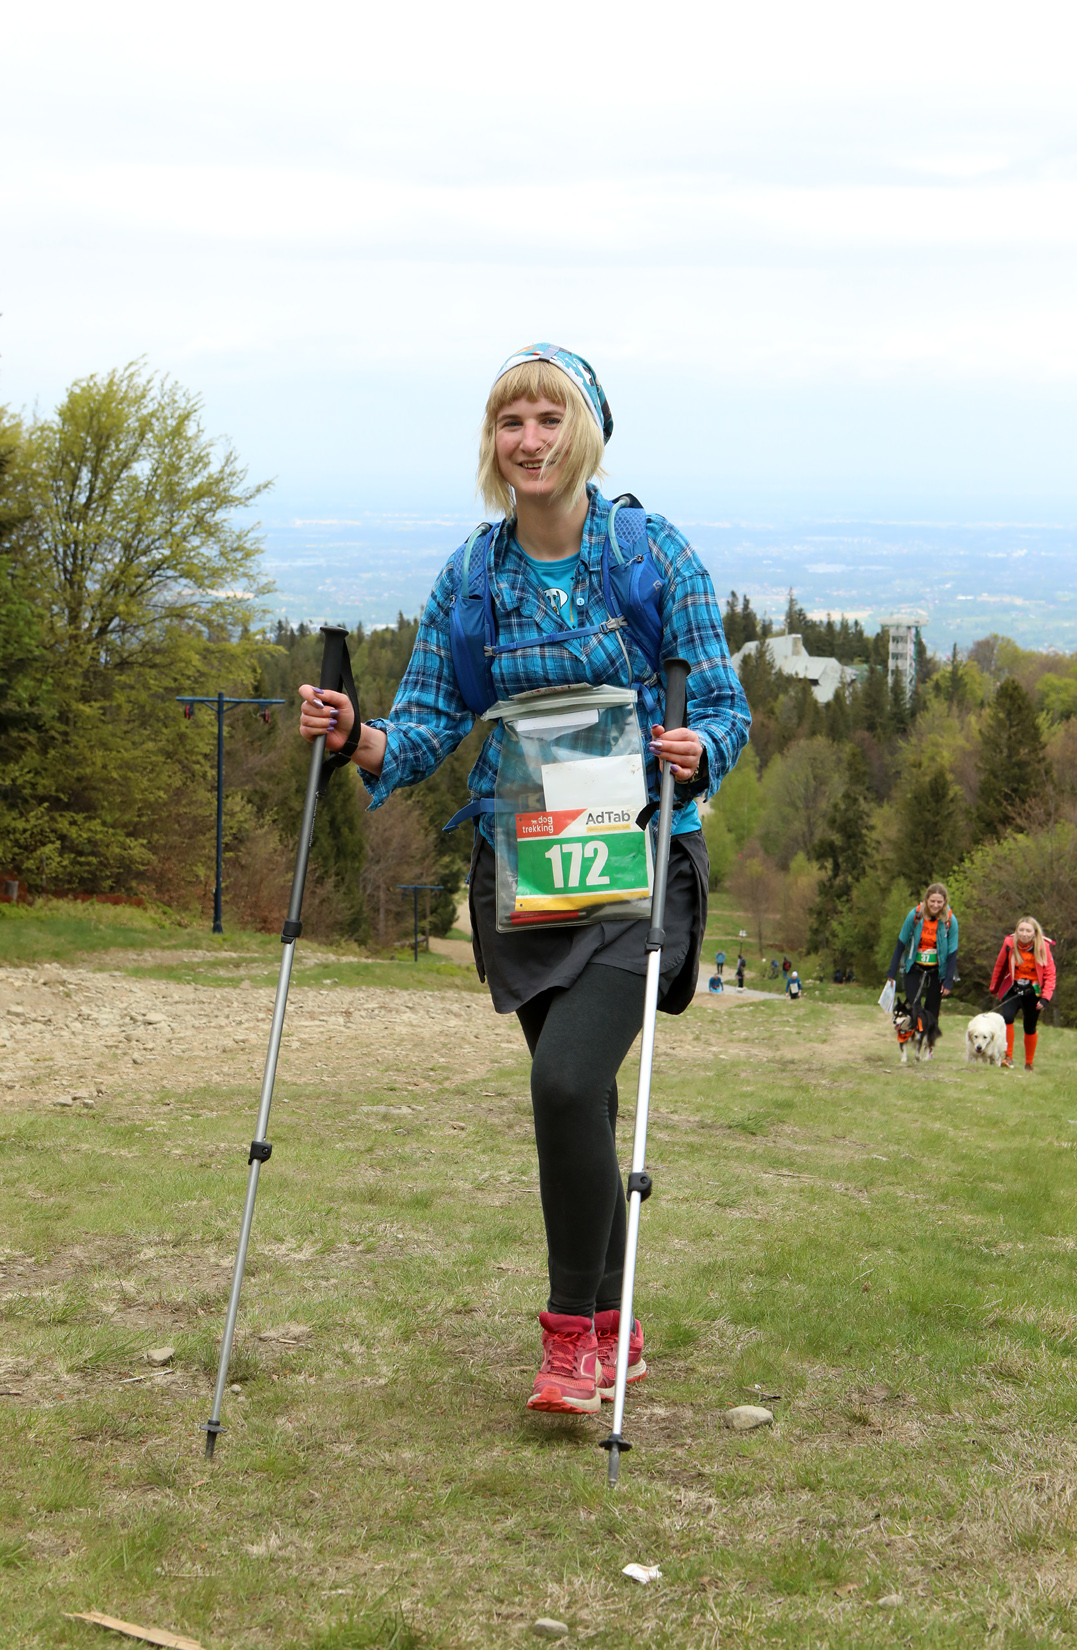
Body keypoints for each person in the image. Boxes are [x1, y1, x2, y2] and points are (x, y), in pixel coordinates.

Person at [297, 343, 750, 1417]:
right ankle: (616, 1327)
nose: (530, 441)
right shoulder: (473, 576)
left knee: (563, 1085)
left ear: (584, 432)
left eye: (549, 419)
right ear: (492, 442)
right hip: (525, 872)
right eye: (511, 422)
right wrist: (357, 736)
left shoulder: (651, 554)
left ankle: (567, 1340)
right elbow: (423, 724)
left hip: (639, 862)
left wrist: (698, 750)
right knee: (577, 1104)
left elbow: (723, 709)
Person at [885, 883, 959, 1061]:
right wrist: (891, 972)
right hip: (915, 967)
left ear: (944, 902)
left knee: (932, 1010)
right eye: (932, 901)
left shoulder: (950, 921)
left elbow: (952, 953)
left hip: (937, 971)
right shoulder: (915, 916)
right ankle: (910, 1040)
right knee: (913, 1006)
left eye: (939, 902)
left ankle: (929, 1047)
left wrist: (948, 980)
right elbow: (901, 944)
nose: (935, 905)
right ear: (926, 900)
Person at [989, 917, 1056, 1071]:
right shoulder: (1009, 944)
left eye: (1028, 931)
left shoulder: (1043, 947)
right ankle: (1008, 1057)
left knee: (1029, 1027)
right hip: (1013, 989)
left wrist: (1045, 998)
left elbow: (1050, 974)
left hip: (1033, 992)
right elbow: (999, 966)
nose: (1024, 934)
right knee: (1007, 1018)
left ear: (1034, 933)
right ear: (1016, 931)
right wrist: (994, 988)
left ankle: (1029, 1063)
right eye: (1021, 930)